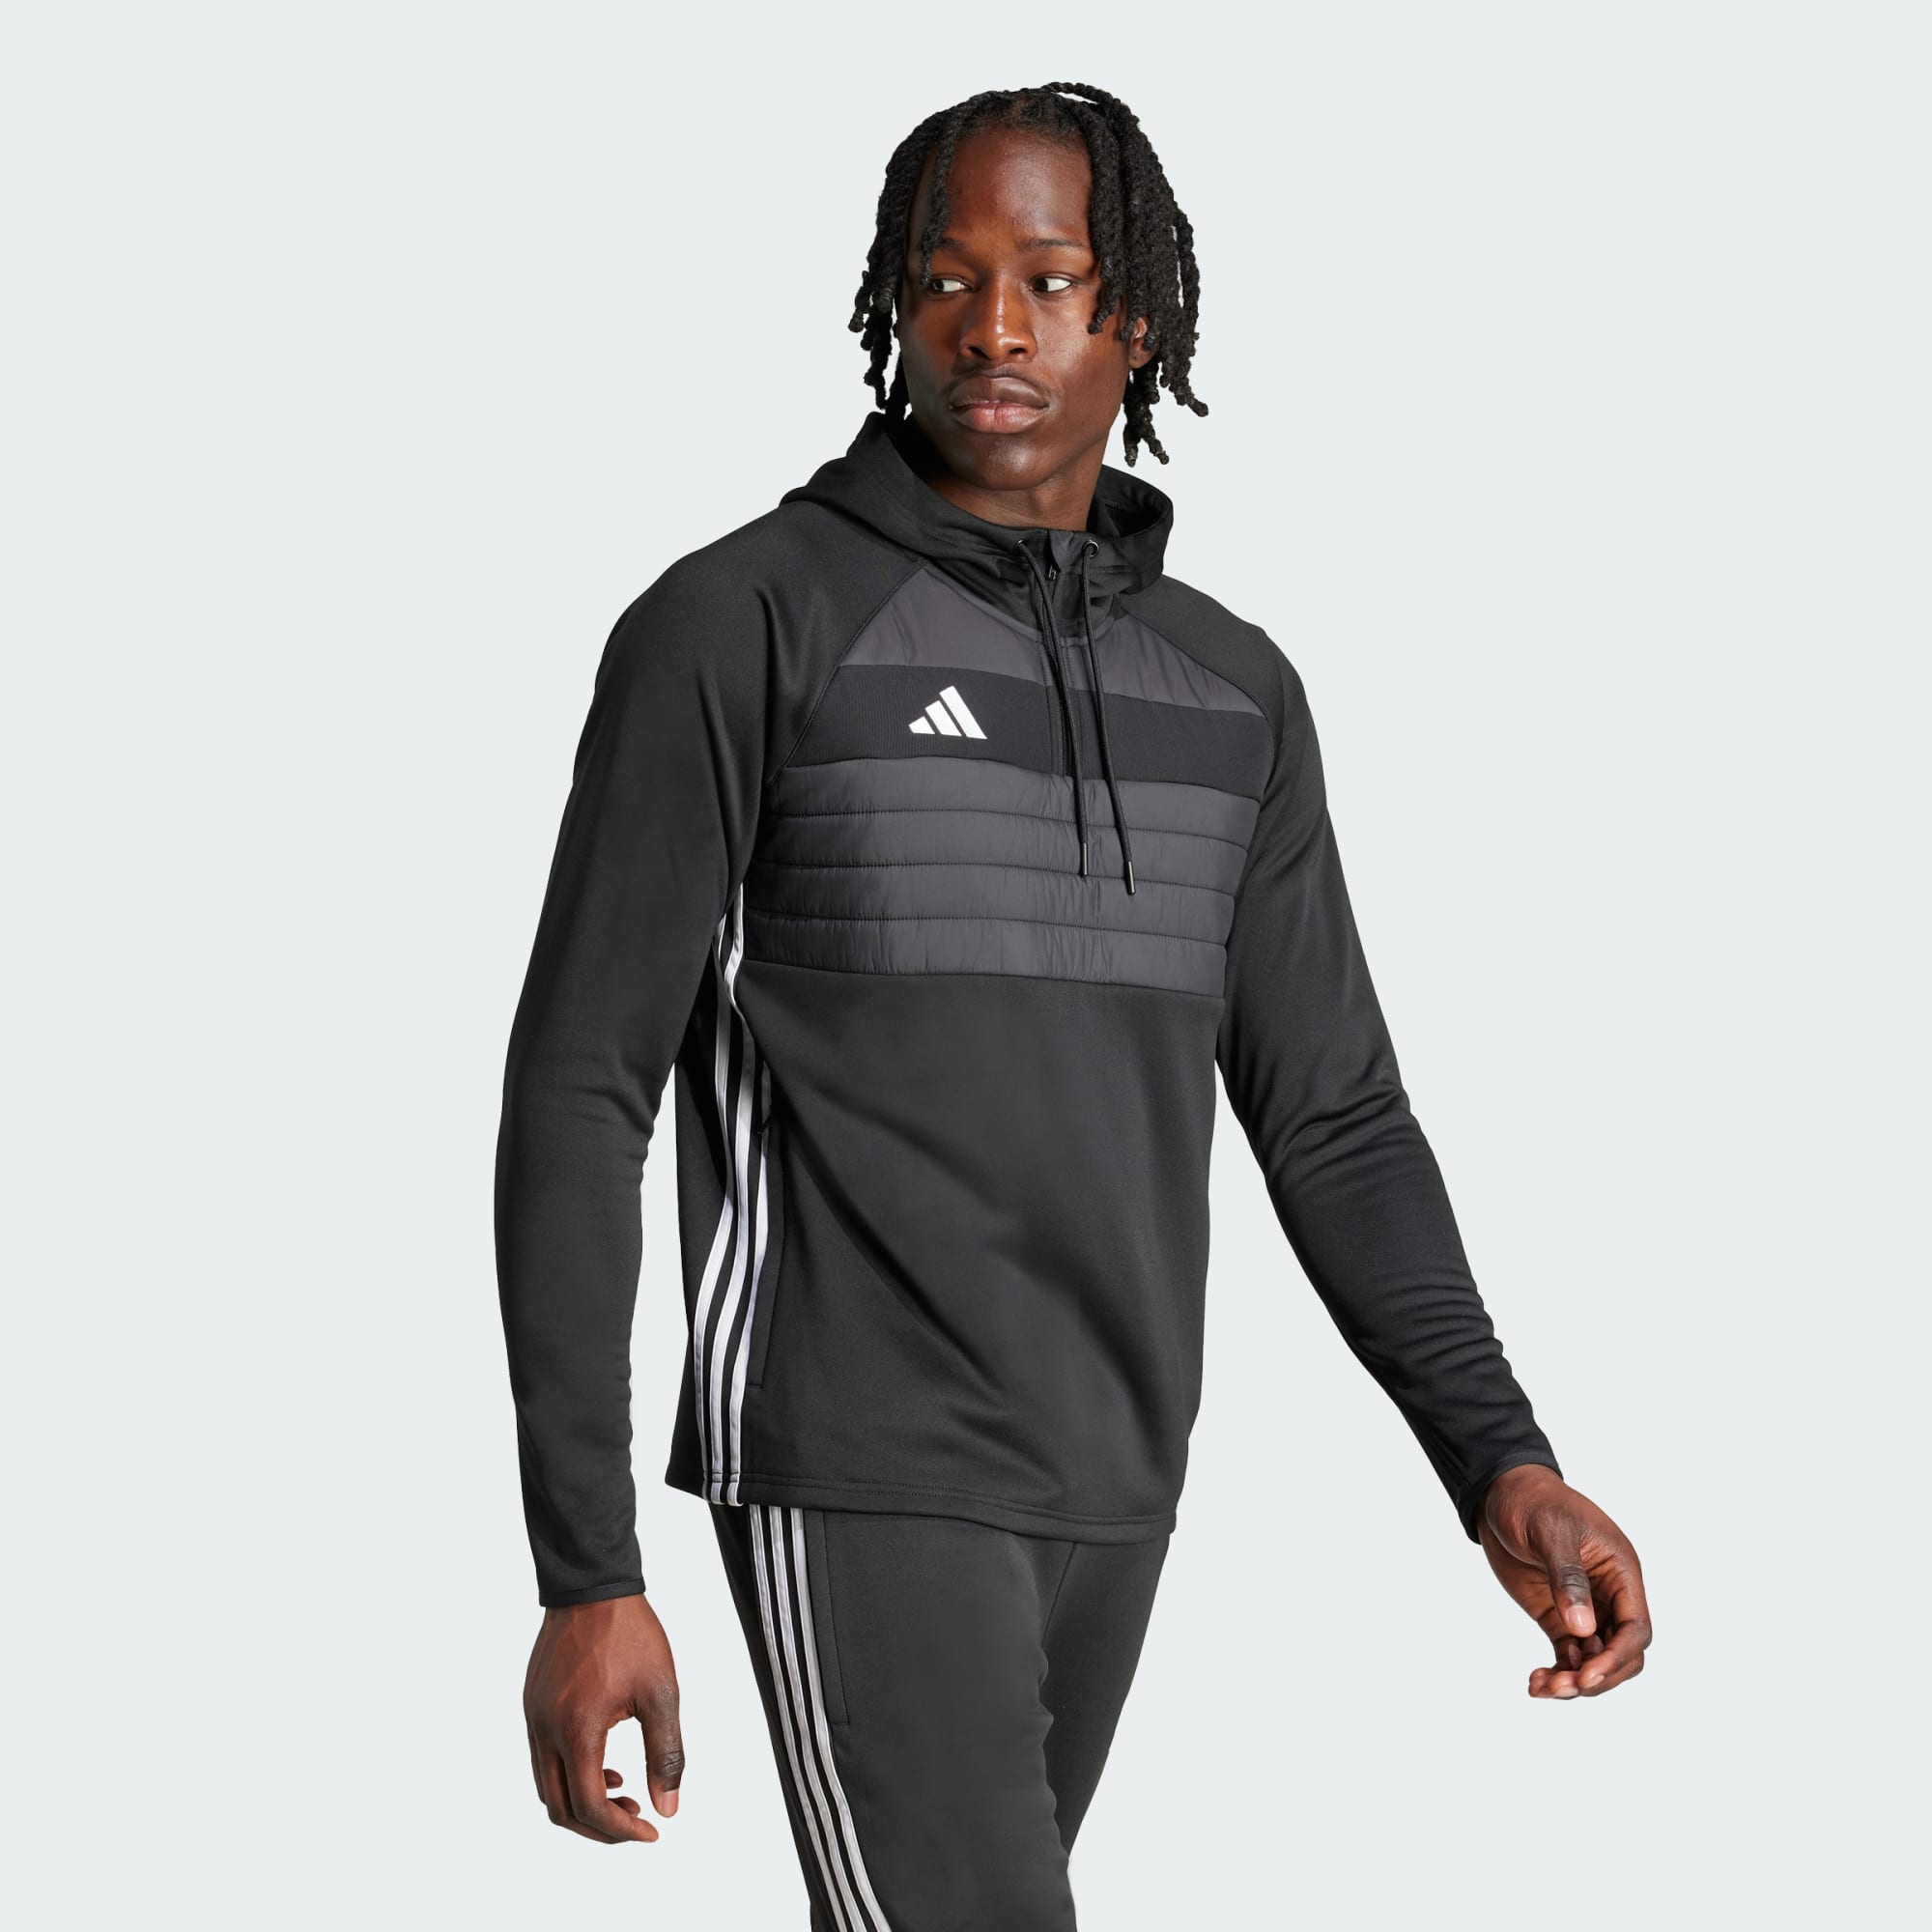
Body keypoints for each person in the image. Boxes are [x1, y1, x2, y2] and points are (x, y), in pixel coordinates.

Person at [495, 80, 1652, 1928]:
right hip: (858, 1445)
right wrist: (587, 1565)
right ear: (895, 303)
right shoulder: (747, 626)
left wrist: (1498, 1457)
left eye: (1049, 278)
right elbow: (579, 1089)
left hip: (1118, 1468)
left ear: (1142, 320)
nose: (995, 328)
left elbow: (1333, 1114)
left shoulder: (1233, 694)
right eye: (947, 277)